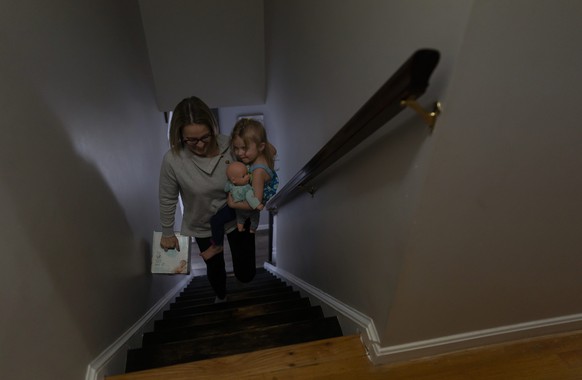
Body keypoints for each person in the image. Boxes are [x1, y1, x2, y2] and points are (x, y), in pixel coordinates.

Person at [158, 96, 256, 302]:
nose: (200, 145)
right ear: (179, 135)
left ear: (213, 128)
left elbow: (256, 165)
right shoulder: (173, 160)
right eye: (191, 140)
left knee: (246, 272)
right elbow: (168, 197)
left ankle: (243, 282)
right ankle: (221, 297)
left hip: (237, 215)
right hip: (203, 224)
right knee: (215, 268)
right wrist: (167, 232)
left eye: (205, 137)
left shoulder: (230, 145)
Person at [200, 161, 263, 261]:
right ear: (233, 180)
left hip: (241, 208)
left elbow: (251, 199)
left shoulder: (247, 187)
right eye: (244, 176)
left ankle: (250, 228)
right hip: (234, 208)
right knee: (215, 220)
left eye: (247, 174)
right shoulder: (231, 184)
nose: (248, 177)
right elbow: (226, 188)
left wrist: (257, 205)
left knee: (248, 220)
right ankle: (217, 245)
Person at [227, 118, 278, 225]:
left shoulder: (258, 172)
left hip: (248, 211)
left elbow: (256, 203)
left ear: (260, 146)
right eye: (236, 148)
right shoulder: (266, 152)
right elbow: (274, 150)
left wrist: (233, 204)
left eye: (244, 148)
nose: (239, 153)